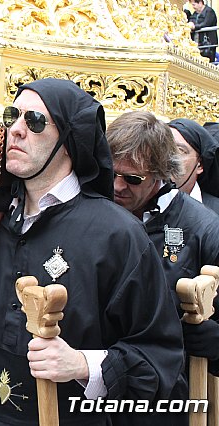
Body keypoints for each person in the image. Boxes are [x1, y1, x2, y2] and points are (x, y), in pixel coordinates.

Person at [0, 78, 184, 425]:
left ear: (69, 140)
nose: (15, 130)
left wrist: (83, 365)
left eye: (34, 121)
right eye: (11, 116)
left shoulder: (117, 235)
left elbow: (159, 353)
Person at [107, 111, 219, 387]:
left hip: (165, 392)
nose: (117, 186)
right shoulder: (96, 212)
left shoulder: (204, 228)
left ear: (160, 173)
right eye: (112, 173)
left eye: (133, 179)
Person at [168, 118, 219, 214]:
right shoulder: (138, 200)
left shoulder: (215, 213)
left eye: (180, 151)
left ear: (200, 165)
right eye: (163, 148)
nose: (169, 157)